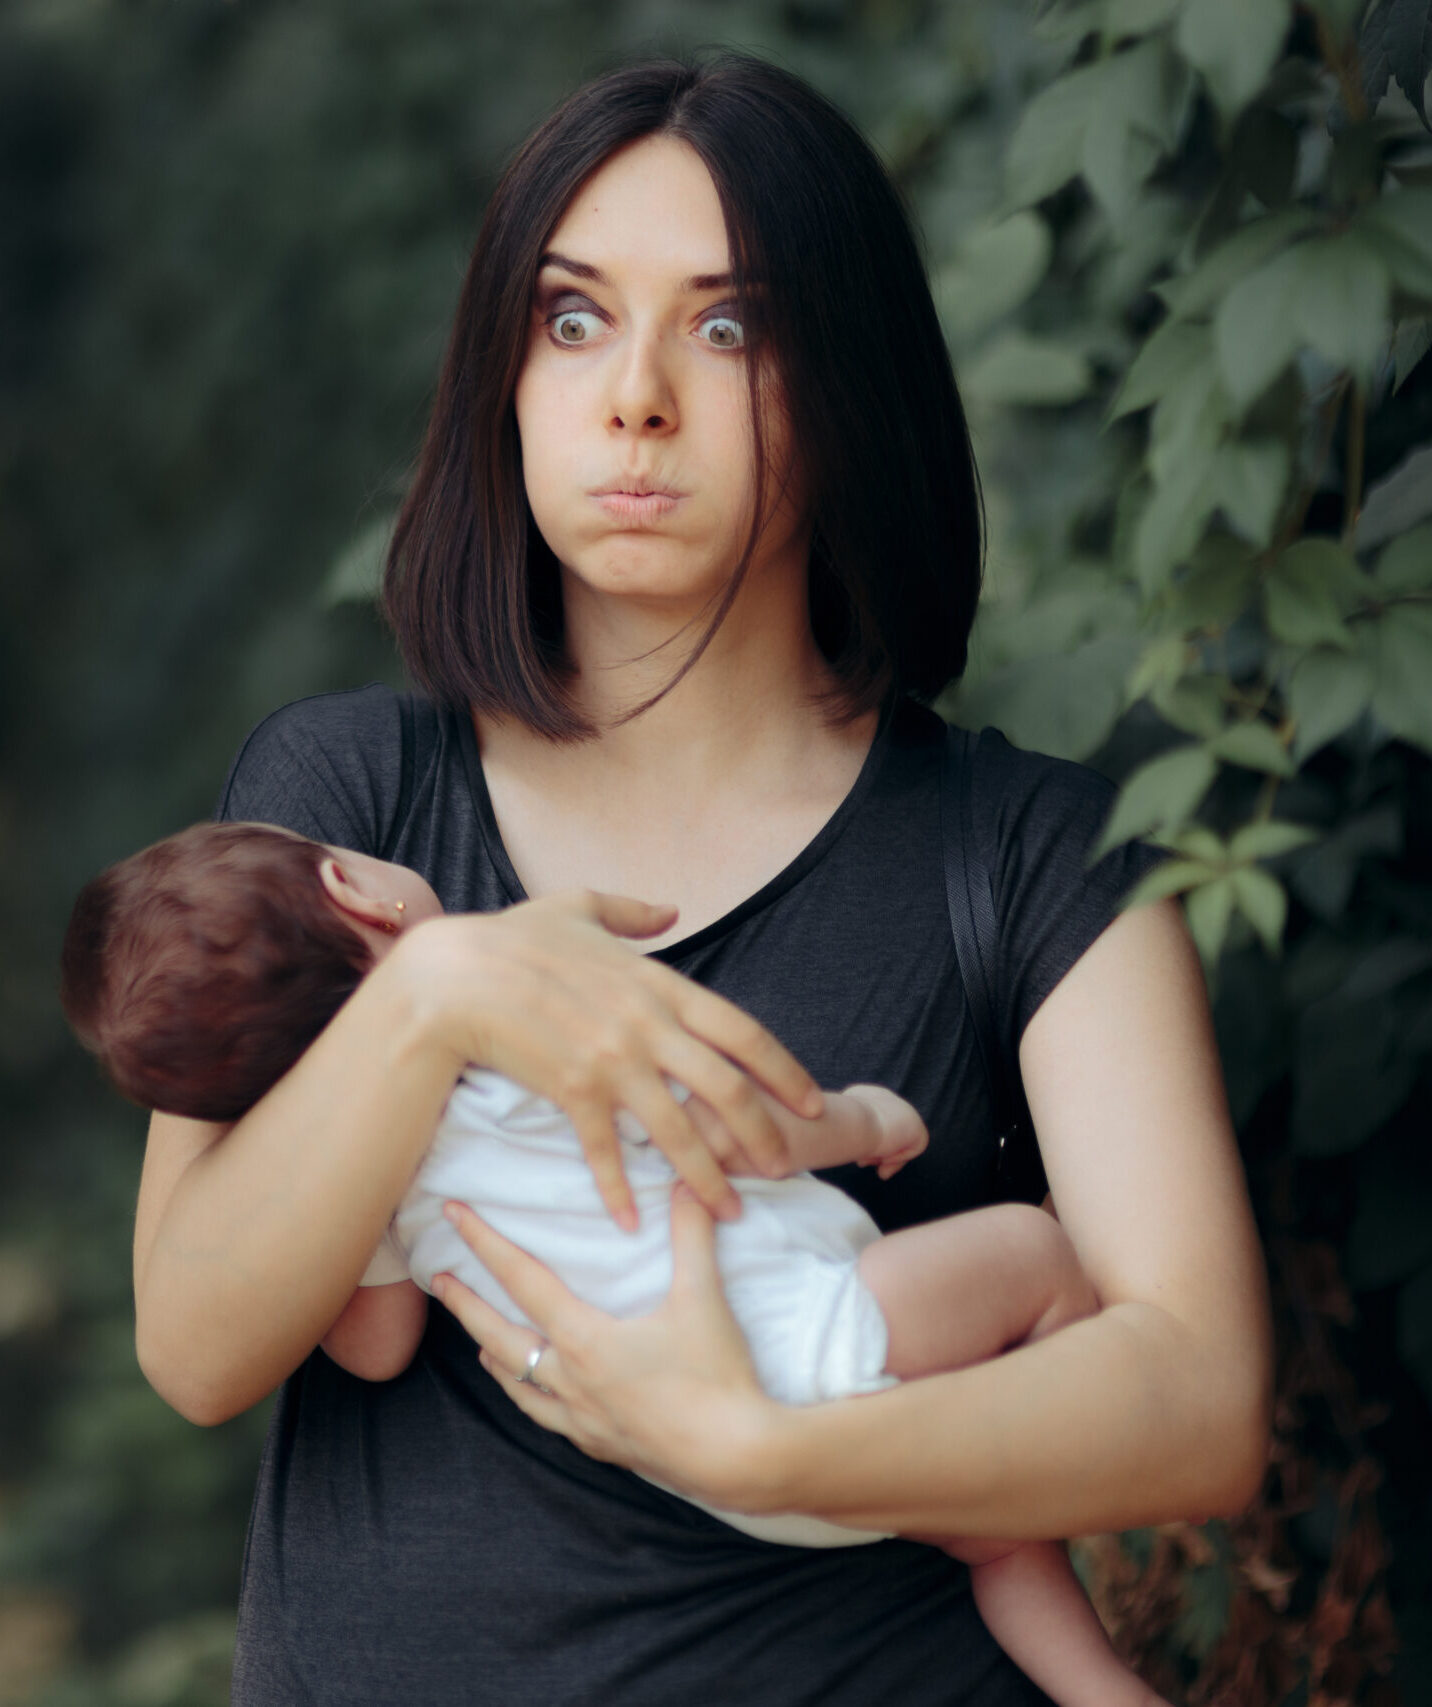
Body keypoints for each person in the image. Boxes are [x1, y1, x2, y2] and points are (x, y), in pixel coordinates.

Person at [127, 50, 1272, 1707]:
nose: (635, 396)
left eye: (726, 328)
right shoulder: (343, 806)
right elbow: (197, 1340)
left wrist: (761, 1441)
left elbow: (1198, 1400)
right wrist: (441, 993)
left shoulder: (1031, 859)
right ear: (501, 377)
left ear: (851, 375)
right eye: (572, 319)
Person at [65, 819, 1174, 1706]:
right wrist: (861, 1118)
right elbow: (737, 1123)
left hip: (700, 1465)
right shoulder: (525, 1046)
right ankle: (1066, 1581)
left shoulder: (363, 1178)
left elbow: (375, 1344)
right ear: (358, 892)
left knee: (988, 1547)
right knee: (1034, 1250)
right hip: (814, 1341)